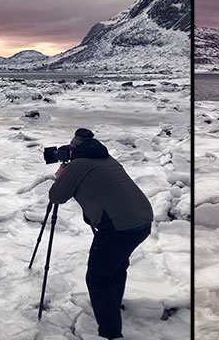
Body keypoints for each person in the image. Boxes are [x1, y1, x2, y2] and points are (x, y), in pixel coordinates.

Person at [48, 128, 154, 339]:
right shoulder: (106, 158)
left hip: (118, 228)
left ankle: (110, 333)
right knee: (116, 266)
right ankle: (113, 307)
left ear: (74, 150)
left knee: (98, 279)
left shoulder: (78, 165)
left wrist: (61, 175)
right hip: (143, 220)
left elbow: (57, 196)